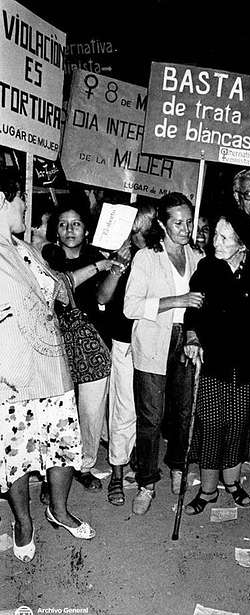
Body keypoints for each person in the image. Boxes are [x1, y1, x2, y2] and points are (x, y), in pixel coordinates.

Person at [0, 174, 95, 564]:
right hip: (13, 376)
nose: (26, 205)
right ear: (3, 200)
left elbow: (58, 288)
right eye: (21, 199)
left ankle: (59, 509)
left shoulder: (25, 248)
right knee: (17, 454)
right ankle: (24, 523)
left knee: (62, 447)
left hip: (54, 368)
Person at [183, 212, 250, 514]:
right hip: (215, 359)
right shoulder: (208, 267)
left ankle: (232, 482)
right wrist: (193, 337)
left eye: (224, 237)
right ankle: (208, 490)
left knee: (236, 423)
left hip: (248, 361)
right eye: (214, 235)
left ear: (242, 244)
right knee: (211, 423)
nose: (214, 242)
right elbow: (193, 308)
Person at [124, 192, 203, 515]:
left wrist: (196, 333)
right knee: (151, 417)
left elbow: (204, 303)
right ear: (161, 223)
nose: (184, 229)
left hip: (187, 340)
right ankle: (146, 482)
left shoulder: (197, 256)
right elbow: (130, 307)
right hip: (154, 341)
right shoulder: (146, 257)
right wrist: (176, 300)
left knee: (183, 412)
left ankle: (177, 467)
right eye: (177, 223)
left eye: (188, 222)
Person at [44, 199, 119, 493]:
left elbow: (105, 299)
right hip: (56, 344)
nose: (69, 229)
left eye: (76, 223)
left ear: (86, 229)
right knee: (59, 409)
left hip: (92, 345)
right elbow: (61, 285)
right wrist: (101, 265)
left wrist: (112, 268)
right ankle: (55, 471)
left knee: (90, 410)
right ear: (56, 231)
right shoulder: (47, 257)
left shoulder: (98, 256)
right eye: (63, 224)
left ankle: (84, 465)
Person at [98, 202, 156, 506]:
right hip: (124, 342)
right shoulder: (120, 257)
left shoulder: (161, 257)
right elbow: (102, 296)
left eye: (145, 228)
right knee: (123, 409)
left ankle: (141, 463)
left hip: (155, 343)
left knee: (150, 410)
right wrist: (118, 267)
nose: (140, 234)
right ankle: (117, 472)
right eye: (137, 229)